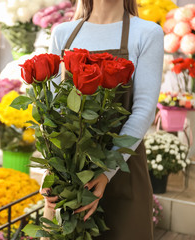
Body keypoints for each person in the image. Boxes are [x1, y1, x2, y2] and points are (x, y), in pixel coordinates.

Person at [40, 0, 164, 239]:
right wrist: (51, 166)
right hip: (71, 172)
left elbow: (143, 110)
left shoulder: (147, 33)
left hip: (124, 170)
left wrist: (107, 171)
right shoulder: (63, 34)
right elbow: (52, 110)